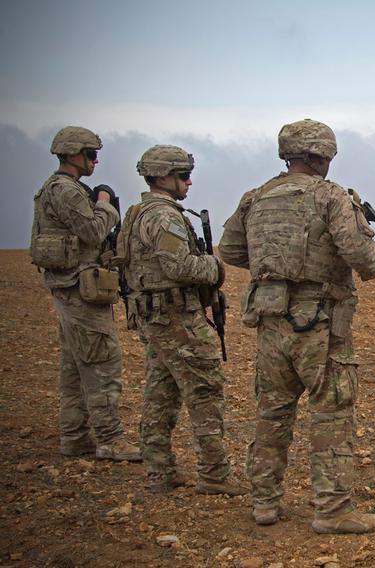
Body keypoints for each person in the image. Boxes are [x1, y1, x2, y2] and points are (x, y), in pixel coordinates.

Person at [219, 119, 375, 533]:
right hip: (320, 323)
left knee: (271, 413)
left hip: (271, 323)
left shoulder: (254, 198)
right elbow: (361, 257)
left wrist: (271, 270)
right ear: (319, 157)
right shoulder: (329, 196)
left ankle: (265, 505)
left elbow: (230, 250)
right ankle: (332, 510)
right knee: (330, 412)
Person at [118, 144, 245, 496]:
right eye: (183, 175)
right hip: (176, 319)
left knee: (162, 392)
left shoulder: (138, 213)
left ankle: (160, 472)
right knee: (205, 391)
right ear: (162, 177)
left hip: (156, 317)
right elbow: (180, 265)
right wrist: (215, 267)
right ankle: (214, 474)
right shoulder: (163, 216)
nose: (189, 182)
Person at [29, 126, 140, 462]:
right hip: (81, 289)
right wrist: (105, 204)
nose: (95, 161)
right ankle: (110, 439)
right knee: (101, 362)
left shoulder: (52, 188)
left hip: (70, 287)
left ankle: (75, 437)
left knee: (75, 367)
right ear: (73, 153)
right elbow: (92, 230)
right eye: (90, 154)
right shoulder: (67, 191)